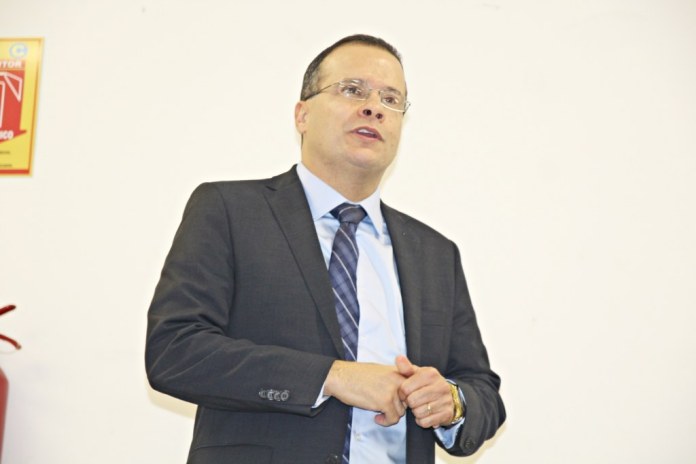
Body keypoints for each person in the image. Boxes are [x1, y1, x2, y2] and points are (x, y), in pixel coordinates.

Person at [146, 34, 505, 464]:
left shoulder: (435, 253)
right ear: (302, 115)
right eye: (352, 90)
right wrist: (333, 377)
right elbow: (174, 351)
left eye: (391, 100)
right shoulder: (229, 210)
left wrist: (452, 401)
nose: (374, 107)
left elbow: (482, 390)